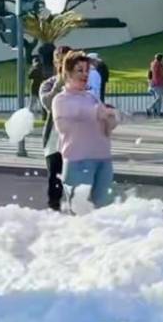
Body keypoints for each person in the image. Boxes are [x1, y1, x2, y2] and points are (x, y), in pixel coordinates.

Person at [53, 51, 118, 209]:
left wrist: (111, 119)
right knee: (80, 214)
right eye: (79, 70)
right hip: (78, 160)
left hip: (103, 160)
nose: (85, 74)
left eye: (87, 70)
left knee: (104, 211)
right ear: (67, 73)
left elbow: (106, 127)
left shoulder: (92, 97)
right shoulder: (61, 99)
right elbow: (74, 114)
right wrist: (98, 112)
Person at [38, 45, 73, 211]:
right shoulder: (48, 84)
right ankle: (54, 215)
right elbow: (48, 104)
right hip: (54, 141)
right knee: (55, 182)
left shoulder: (82, 84)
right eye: (62, 62)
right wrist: (60, 82)